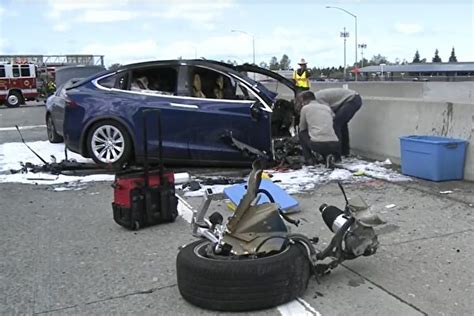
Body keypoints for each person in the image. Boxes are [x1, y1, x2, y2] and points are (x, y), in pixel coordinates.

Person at [297, 91, 340, 167]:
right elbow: (333, 118)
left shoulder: (305, 108)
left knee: (301, 132)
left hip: (318, 145)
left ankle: (309, 159)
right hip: (335, 144)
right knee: (325, 132)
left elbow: (302, 127)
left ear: (305, 100)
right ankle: (331, 157)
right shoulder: (326, 107)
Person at [314, 88, 362, 156]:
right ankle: (344, 152)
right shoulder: (315, 99)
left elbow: (328, 112)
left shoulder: (317, 100)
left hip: (352, 99)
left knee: (336, 124)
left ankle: (336, 153)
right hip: (352, 98)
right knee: (342, 125)